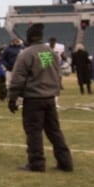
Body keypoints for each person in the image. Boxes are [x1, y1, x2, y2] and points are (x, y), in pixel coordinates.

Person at [8, 23, 73, 172]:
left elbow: (18, 78)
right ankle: (65, 162)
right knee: (54, 131)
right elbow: (57, 73)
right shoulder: (50, 52)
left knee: (34, 132)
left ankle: (36, 163)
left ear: (29, 37)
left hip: (33, 98)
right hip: (50, 97)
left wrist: (12, 98)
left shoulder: (26, 54)